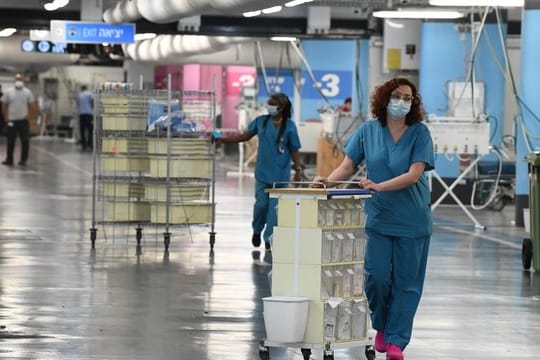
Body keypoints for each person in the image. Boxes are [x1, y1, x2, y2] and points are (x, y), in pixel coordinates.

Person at [313, 77, 434, 360]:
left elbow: (415, 174)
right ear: (384, 98)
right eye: (397, 95)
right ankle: (381, 324)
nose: (402, 102)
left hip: (413, 221)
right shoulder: (368, 130)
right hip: (380, 219)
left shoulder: (420, 133)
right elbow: (347, 166)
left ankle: (396, 341)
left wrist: (379, 186)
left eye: (408, 98)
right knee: (376, 278)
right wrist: (327, 183)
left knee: (407, 283)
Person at [216, 93, 302, 251]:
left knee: (275, 211)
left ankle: (269, 239)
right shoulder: (261, 122)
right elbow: (244, 137)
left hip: (281, 177)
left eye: (271, 104)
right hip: (263, 174)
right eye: (268, 103)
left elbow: (295, 149)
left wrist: (297, 170)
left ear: (281, 108)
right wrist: (223, 139)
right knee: (261, 206)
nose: (268, 107)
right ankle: (257, 230)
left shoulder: (290, 126)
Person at [1, 74, 36, 166]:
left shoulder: (28, 92)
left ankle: (23, 160)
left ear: (23, 80)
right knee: (10, 141)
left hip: (23, 121)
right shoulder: (8, 92)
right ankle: (9, 160)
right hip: (11, 121)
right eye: (17, 79)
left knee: (25, 141)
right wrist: (6, 118)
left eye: (20, 79)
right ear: (14, 80)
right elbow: (4, 105)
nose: (19, 81)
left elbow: (32, 106)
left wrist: (29, 116)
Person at [77, 85, 94, 151]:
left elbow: (78, 104)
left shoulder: (79, 95)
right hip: (89, 114)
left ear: (81, 89)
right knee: (90, 130)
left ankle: (83, 145)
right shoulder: (89, 94)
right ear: (86, 88)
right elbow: (92, 102)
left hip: (81, 114)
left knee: (82, 130)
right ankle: (90, 145)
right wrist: (92, 108)